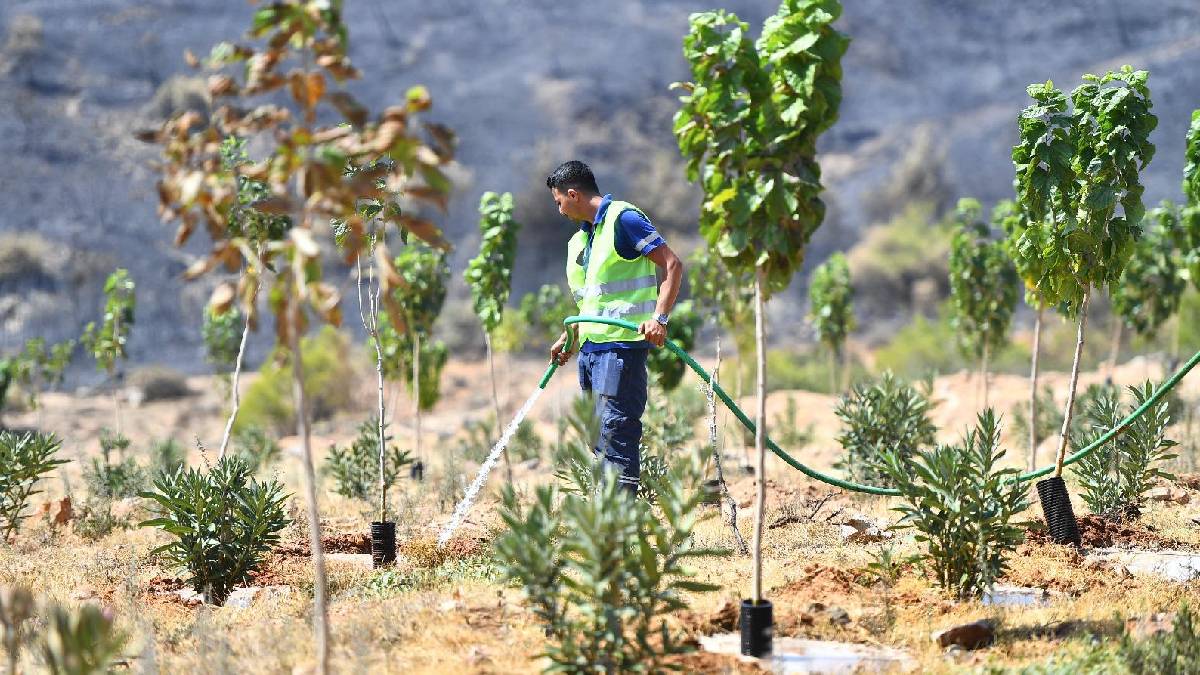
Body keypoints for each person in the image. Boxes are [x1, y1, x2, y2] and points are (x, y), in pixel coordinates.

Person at [546, 160, 684, 493]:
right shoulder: (582, 241)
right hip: (592, 351)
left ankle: (619, 528)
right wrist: (571, 335)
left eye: (559, 201)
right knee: (598, 437)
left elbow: (672, 264)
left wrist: (659, 318)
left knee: (616, 432)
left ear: (573, 194)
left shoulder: (623, 220)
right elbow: (592, 303)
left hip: (621, 349)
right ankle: (607, 520)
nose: (559, 209)